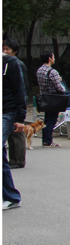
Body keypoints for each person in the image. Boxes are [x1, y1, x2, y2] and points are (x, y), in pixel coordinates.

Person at [3, 50, 27, 210]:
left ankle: (11, 197)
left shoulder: (10, 63)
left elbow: (20, 90)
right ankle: (10, 196)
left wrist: (20, 117)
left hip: (7, 112)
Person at [36, 50, 69, 148]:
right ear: (49, 59)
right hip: (54, 98)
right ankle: (48, 140)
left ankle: (44, 139)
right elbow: (59, 88)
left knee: (46, 119)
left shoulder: (39, 70)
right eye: (53, 57)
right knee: (52, 120)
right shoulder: (53, 72)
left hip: (44, 98)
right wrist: (61, 82)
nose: (54, 59)